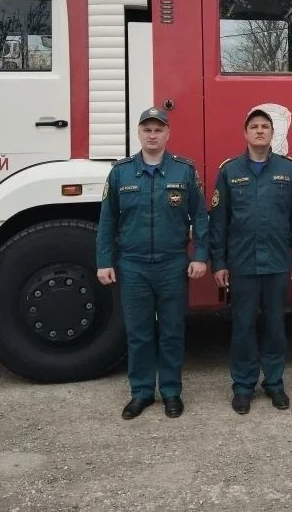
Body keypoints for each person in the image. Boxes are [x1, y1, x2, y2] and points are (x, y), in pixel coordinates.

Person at [95, 106, 209, 420]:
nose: (152, 135)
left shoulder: (184, 171)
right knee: (139, 333)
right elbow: (107, 221)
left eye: (158, 130)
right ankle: (141, 392)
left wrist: (200, 255)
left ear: (168, 134)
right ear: (139, 133)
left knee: (172, 332)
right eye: (147, 130)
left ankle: (171, 392)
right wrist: (104, 261)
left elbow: (201, 217)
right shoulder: (120, 173)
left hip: (173, 264)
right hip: (133, 266)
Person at [209, 108, 292, 414]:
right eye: (254, 126)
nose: (260, 130)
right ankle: (243, 386)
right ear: (245, 133)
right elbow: (219, 222)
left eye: (265, 126)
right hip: (242, 264)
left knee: (275, 326)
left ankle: (274, 383)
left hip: (277, 262)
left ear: (273, 134)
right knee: (243, 326)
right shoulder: (230, 171)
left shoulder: (288, 170)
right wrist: (218, 263)